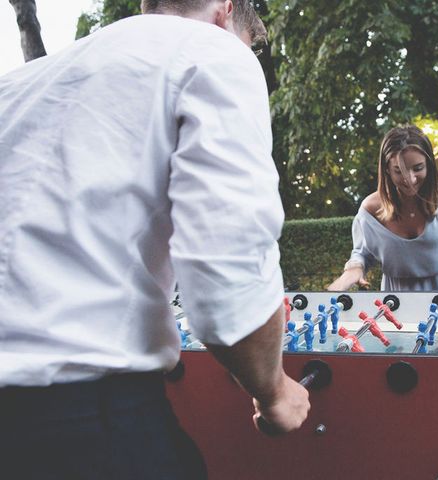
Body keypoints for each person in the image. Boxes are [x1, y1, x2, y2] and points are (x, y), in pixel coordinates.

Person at [0, 1, 309, 478]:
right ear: (227, 10)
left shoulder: (21, 83)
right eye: (254, 44)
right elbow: (226, 275)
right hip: (83, 425)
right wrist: (274, 393)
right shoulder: (215, 52)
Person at [328, 125, 438, 292]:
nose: (410, 179)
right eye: (399, 171)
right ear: (387, 169)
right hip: (394, 299)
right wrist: (352, 272)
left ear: (429, 165)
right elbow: (362, 254)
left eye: (418, 168)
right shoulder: (369, 210)